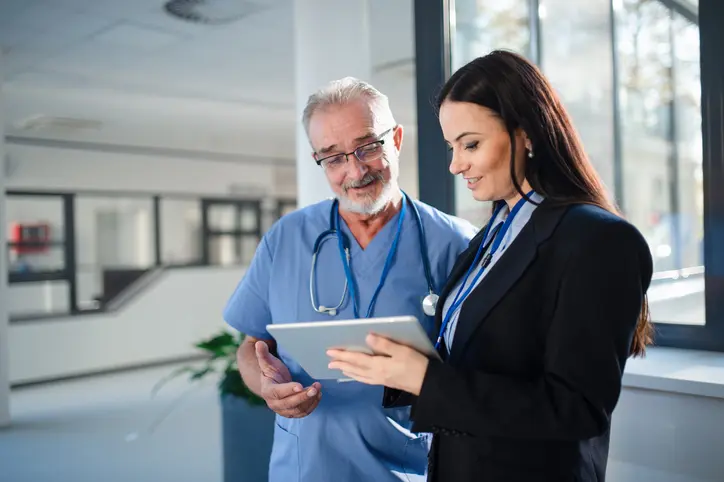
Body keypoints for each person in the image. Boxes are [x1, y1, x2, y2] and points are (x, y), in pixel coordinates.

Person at [327, 50, 654, 481]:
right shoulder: (492, 235)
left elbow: (576, 410)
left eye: (471, 144)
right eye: (452, 147)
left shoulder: (597, 240)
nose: (455, 164)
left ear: (528, 135)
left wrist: (429, 380)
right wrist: (403, 365)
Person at [223, 77, 478, 482]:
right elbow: (252, 346)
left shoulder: (455, 243)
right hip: (305, 468)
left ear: (395, 139)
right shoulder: (285, 239)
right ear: (319, 161)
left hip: (411, 467)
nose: (355, 170)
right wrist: (266, 387)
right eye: (334, 157)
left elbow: (480, 372)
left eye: (368, 147)